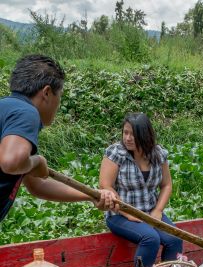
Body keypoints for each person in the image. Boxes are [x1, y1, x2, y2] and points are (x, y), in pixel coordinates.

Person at [0, 54, 117, 223]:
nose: (59, 103)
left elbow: (37, 185)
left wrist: (91, 195)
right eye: (60, 95)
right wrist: (37, 161)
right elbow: (11, 162)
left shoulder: (7, 110)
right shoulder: (25, 112)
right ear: (47, 92)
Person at [99, 112, 183, 267]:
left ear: (144, 135)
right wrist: (127, 212)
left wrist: (158, 210)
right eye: (125, 132)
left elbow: (166, 185)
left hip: (150, 211)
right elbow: (106, 186)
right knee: (150, 239)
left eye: (133, 134)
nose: (128, 138)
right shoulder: (116, 153)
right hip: (120, 215)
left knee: (174, 239)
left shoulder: (158, 154)